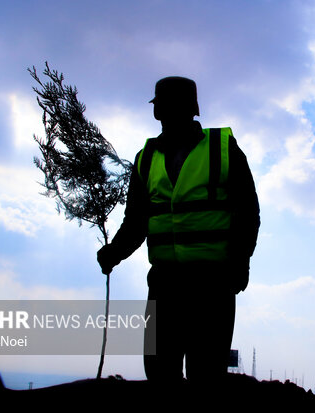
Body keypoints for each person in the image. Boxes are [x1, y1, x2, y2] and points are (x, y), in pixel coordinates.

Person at [97, 76, 260, 394]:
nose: (169, 112)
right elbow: (137, 222)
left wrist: (241, 263)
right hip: (165, 284)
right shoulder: (145, 159)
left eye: (175, 105)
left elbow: (247, 213)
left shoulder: (222, 149)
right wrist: (113, 253)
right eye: (165, 106)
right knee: (159, 372)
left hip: (213, 283)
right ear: (157, 112)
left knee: (206, 374)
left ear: (193, 109)